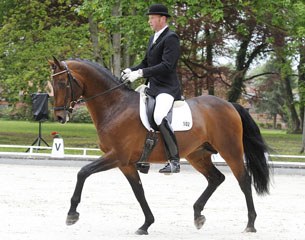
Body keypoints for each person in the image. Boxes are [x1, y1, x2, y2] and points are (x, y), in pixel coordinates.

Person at [122, 3, 181, 174]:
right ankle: (144, 158)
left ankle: (174, 161)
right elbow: (146, 63)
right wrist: (131, 70)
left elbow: (167, 65)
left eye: (152, 18)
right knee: (134, 113)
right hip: (152, 87)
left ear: (162, 19)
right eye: (149, 18)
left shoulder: (171, 38)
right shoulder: (153, 38)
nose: (149, 21)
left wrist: (141, 73)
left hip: (166, 88)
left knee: (159, 115)